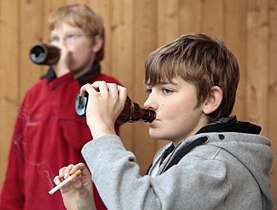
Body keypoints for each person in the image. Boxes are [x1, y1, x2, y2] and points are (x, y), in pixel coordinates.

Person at [53, 33, 273, 210]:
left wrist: (102, 129)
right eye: (150, 90)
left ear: (209, 99)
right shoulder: (169, 154)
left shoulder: (217, 165)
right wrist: (83, 206)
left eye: (166, 90)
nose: (149, 102)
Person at [0, 4, 121, 210]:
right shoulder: (35, 93)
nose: (61, 45)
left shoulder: (106, 90)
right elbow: (16, 165)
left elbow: (80, 138)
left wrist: (64, 77)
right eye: (56, 39)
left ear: (96, 43)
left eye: (71, 37)